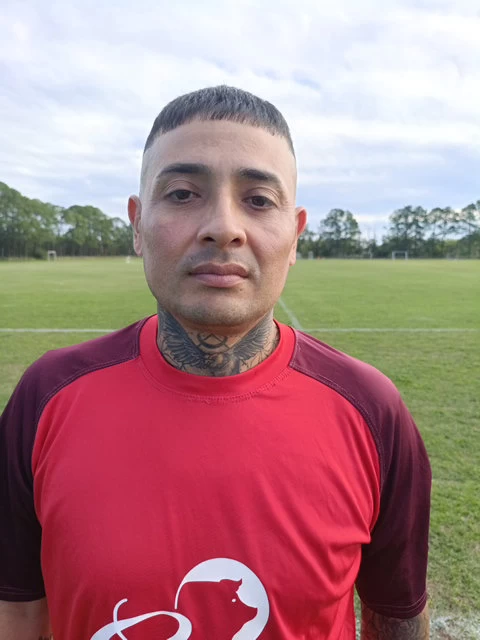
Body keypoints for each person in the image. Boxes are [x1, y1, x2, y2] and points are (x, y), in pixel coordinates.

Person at [0, 85, 431, 640]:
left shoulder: (371, 409)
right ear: (137, 224)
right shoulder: (47, 397)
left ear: (295, 236)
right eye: (182, 194)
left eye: (259, 200)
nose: (224, 226)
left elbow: (396, 614)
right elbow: (16, 611)